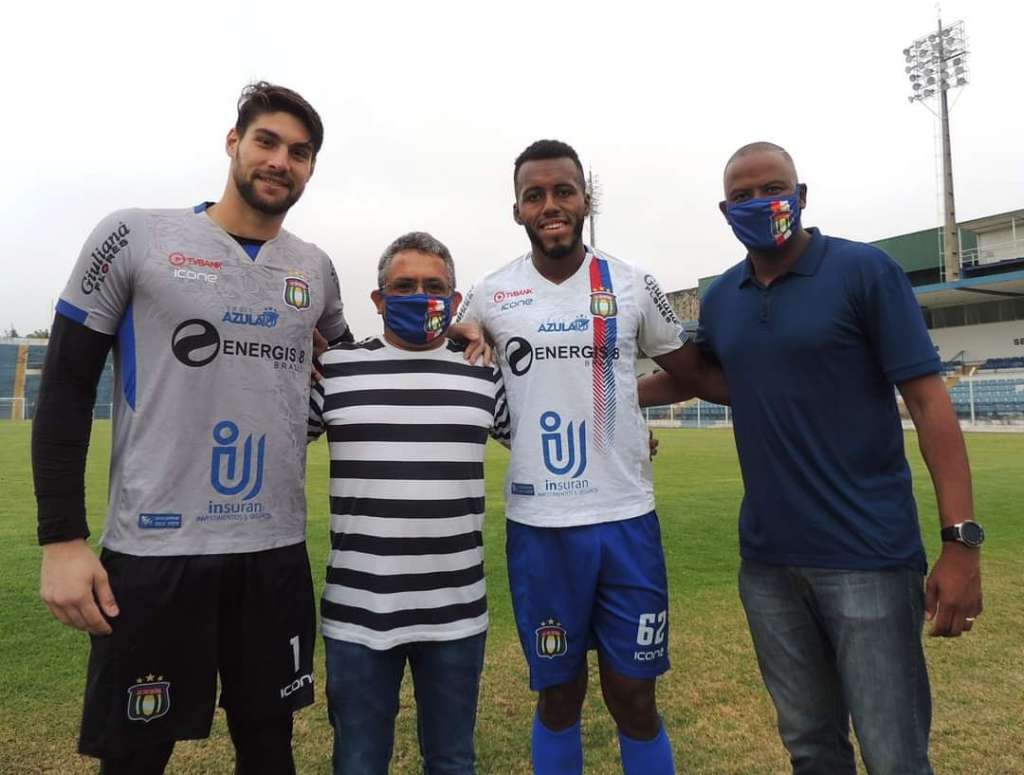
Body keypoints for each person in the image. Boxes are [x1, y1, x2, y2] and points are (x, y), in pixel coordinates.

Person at [32, 81, 352, 774]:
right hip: (155, 550)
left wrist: (459, 335)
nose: (280, 161)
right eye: (266, 141)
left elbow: (351, 372)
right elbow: (64, 385)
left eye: (300, 152)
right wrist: (60, 537)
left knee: (270, 748)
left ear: (310, 168)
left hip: (274, 547)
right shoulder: (137, 234)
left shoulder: (315, 268)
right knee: (136, 754)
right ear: (234, 143)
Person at [642, 141, 983, 775]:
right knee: (810, 749)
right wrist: (603, 397)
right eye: (741, 196)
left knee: (895, 754)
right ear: (724, 210)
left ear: (800, 197)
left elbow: (932, 404)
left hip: (870, 558)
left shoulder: (864, 272)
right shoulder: (723, 297)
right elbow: (706, 378)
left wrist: (961, 542)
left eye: (772, 188)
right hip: (768, 564)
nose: (758, 202)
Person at [457, 139, 725, 775]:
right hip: (540, 527)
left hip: (624, 520)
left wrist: (625, 405)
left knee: (633, 695)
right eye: (535, 195)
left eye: (563, 191)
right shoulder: (490, 296)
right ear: (518, 210)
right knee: (558, 694)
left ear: (585, 200)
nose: (551, 205)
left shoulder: (631, 284)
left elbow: (692, 376)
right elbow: (465, 379)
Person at [308, 231, 510, 775]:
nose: (421, 296)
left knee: (451, 761)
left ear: (454, 297)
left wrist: (633, 438)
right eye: (404, 286)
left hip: (456, 613)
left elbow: (541, 434)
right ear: (378, 299)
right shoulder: (338, 372)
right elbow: (276, 438)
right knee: (358, 762)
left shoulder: (484, 370)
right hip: (358, 613)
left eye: (434, 286)